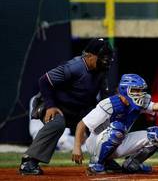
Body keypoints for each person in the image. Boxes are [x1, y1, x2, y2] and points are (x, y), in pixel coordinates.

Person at [19, 38, 114, 175]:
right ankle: (29, 161)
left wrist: (97, 118)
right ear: (89, 56)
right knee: (57, 123)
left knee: (104, 121)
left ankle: (106, 159)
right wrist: (50, 106)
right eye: (103, 57)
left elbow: (102, 98)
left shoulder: (101, 70)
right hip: (55, 105)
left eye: (108, 57)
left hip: (78, 109)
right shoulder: (74, 67)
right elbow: (44, 81)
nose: (106, 60)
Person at [72, 74, 158, 175]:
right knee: (118, 128)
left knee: (156, 134)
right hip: (96, 143)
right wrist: (77, 147)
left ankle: (132, 164)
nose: (140, 94)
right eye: (136, 90)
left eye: (141, 90)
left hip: (119, 139)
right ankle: (96, 164)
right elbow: (82, 124)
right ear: (125, 89)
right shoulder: (109, 104)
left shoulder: (140, 102)